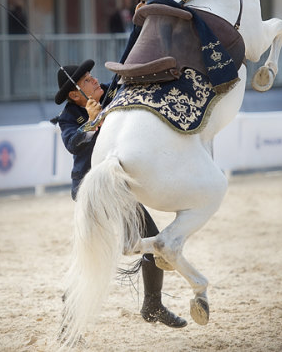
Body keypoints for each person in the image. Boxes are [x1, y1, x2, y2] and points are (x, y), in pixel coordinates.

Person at [54, 60, 186, 329]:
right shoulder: (69, 117)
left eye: (92, 76)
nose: (95, 81)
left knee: (151, 240)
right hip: (92, 193)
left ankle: (152, 304)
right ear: (75, 95)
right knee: (92, 256)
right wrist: (91, 124)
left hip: (120, 185)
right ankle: (70, 323)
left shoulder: (111, 91)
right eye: (87, 80)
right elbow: (72, 144)